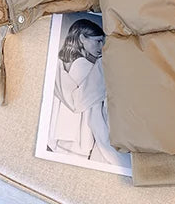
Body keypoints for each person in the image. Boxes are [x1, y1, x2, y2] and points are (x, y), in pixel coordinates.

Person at [48, 18, 129, 165]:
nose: (101, 46)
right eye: (98, 41)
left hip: (62, 137)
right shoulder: (84, 65)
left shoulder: (63, 63)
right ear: (82, 38)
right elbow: (84, 104)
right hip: (76, 141)